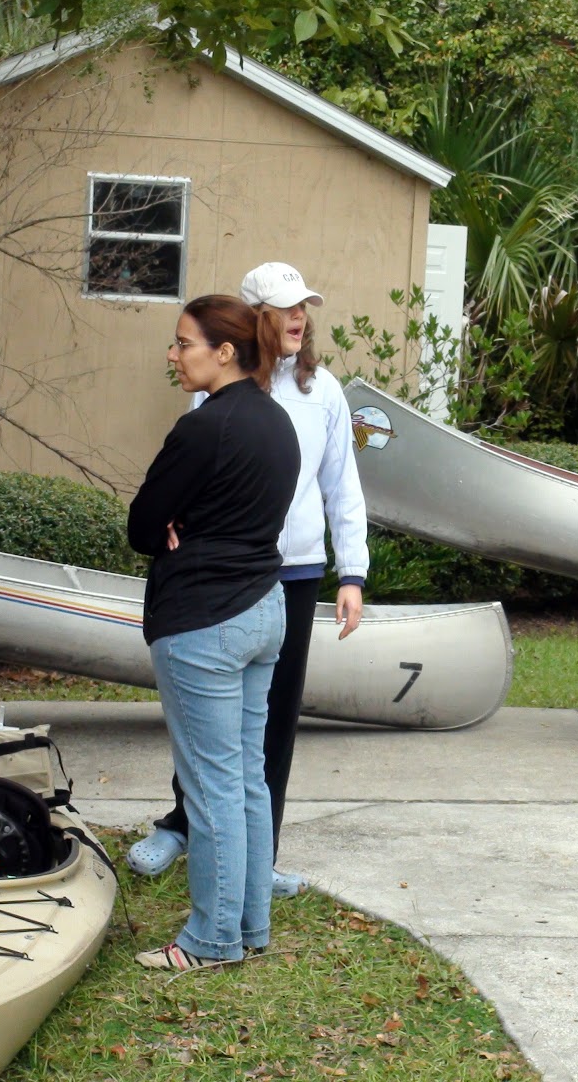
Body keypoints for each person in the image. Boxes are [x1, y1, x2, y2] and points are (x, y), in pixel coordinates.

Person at [128, 262, 370, 899]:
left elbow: (342, 485)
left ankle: (256, 861)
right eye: (286, 308)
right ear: (252, 320)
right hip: (219, 574)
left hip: (289, 574)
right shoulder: (216, 393)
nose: (300, 318)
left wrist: (354, 572)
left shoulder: (323, 392)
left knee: (269, 723)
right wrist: (172, 521)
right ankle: (183, 825)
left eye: (305, 307)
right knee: (209, 723)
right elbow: (189, 473)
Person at [126, 294, 300, 970]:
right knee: (246, 779)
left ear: (224, 351)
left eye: (183, 343)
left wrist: (176, 523)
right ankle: (250, 925)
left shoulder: (202, 429)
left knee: (213, 787)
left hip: (204, 621)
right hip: (263, 611)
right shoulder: (277, 423)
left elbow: (144, 526)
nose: (173, 356)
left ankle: (212, 940)